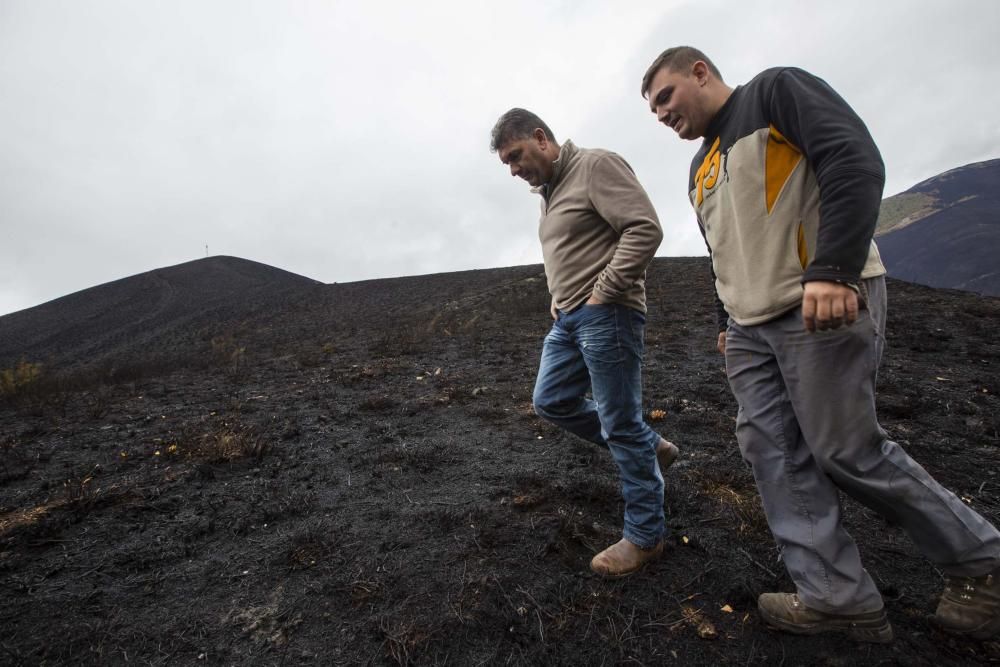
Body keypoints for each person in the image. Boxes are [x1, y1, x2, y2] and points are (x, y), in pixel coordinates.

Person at [640, 46, 1000, 642]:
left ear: (699, 72)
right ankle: (836, 597)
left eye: (665, 97)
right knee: (770, 450)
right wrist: (725, 323)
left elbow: (853, 159)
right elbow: (721, 251)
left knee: (846, 449)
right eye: (653, 110)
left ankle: (983, 563)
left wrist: (833, 269)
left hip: (818, 303)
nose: (661, 114)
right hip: (751, 328)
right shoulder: (699, 168)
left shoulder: (776, 92)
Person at [490, 108, 679, 577]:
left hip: (607, 314)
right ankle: (650, 445)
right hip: (569, 319)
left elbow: (644, 228)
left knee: (619, 424)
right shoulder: (549, 194)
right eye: (507, 164)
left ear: (540, 138)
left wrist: (603, 293)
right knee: (550, 400)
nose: (514, 170)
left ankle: (645, 536)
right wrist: (560, 300)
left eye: (515, 156)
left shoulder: (595, 165)